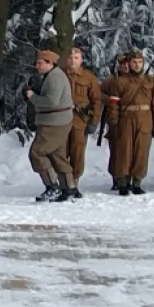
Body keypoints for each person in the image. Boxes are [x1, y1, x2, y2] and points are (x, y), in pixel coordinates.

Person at [106, 48, 154, 194]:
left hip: (145, 118)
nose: (137, 65)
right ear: (129, 63)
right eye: (134, 62)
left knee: (141, 151)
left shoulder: (150, 81)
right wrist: (113, 123)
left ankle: (137, 182)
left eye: (139, 62)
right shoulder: (119, 82)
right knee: (124, 151)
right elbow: (113, 105)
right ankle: (123, 182)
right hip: (126, 118)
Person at [24, 50, 75, 202]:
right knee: (57, 154)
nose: (37, 65)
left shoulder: (54, 78)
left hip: (53, 122)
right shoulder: (53, 75)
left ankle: (52, 186)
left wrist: (32, 96)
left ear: (49, 63)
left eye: (40, 63)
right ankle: (68, 187)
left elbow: (52, 101)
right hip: (57, 120)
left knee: (37, 152)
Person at [64, 46, 103, 198]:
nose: (73, 61)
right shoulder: (59, 74)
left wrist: (94, 121)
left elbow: (96, 100)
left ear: (81, 60)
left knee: (78, 152)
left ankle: (74, 182)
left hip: (80, 120)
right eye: (70, 58)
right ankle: (63, 182)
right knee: (61, 152)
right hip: (61, 120)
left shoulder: (89, 77)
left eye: (76, 58)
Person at [100, 54, 129, 190]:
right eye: (122, 63)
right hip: (113, 119)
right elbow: (98, 93)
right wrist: (110, 99)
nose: (125, 66)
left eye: (127, 63)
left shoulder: (136, 80)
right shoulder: (110, 80)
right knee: (116, 149)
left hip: (130, 119)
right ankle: (116, 178)